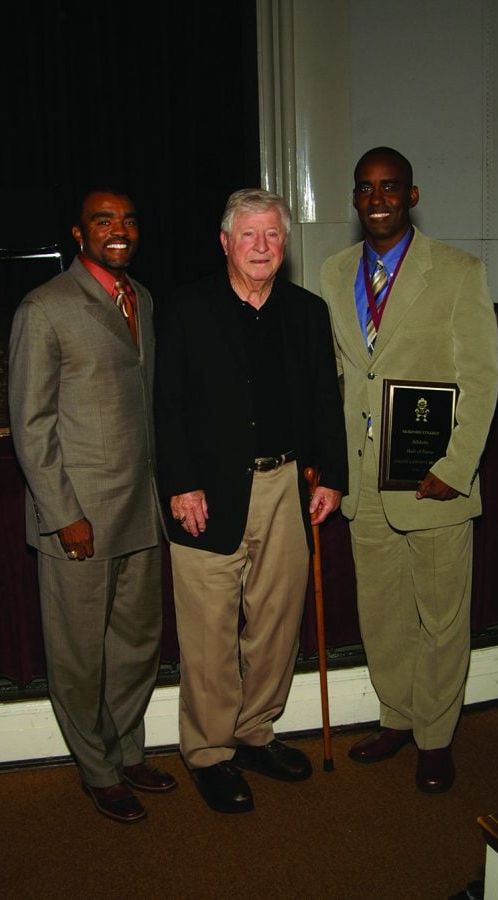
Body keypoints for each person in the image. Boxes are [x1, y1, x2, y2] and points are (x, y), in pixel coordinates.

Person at [155, 188, 348, 813]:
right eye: (248, 235)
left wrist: (331, 478)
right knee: (209, 635)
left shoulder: (308, 312)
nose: (261, 247)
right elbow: (168, 406)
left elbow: (325, 403)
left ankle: (255, 731)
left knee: (275, 622)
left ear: (285, 243)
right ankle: (210, 754)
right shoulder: (184, 310)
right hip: (205, 495)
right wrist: (181, 483)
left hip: (284, 487)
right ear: (225, 242)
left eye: (272, 235)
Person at [320, 147, 498, 792]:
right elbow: (337, 377)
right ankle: (397, 717)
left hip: (434, 477)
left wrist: (456, 466)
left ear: (412, 194)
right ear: (354, 199)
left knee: (442, 615)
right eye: (366, 189)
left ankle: (435, 735)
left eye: (390, 187)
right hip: (363, 478)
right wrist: (327, 465)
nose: (378, 199)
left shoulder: (457, 271)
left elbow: (481, 379)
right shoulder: (334, 272)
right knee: (383, 612)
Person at [8, 188, 176, 824]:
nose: (120, 229)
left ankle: (128, 751)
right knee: (79, 655)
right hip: (77, 518)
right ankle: (97, 771)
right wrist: (63, 514)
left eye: (129, 219)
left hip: (140, 508)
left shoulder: (143, 299)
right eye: (104, 220)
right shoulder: (45, 308)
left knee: (137, 645)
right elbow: (31, 425)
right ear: (79, 235)